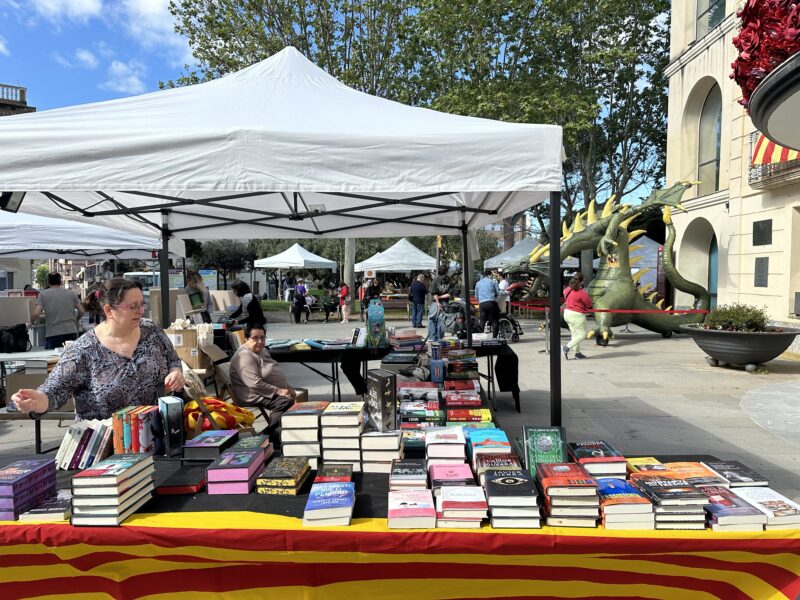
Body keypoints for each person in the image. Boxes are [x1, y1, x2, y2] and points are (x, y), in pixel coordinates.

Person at [11, 277, 185, 420]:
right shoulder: (84, 349)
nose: (140, 311)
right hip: (108, 449)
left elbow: (173, 360)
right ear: (109, 310)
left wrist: (176, 372)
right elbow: (55, 391)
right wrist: (35, 401)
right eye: (133, 306)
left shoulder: (152, 330)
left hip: (157, 439)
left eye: (142, 304)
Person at [229, 325, 296, 442]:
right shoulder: (245, 355)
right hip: (251, 393)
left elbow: (270, 372)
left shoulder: (261, 350)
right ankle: (267, 436)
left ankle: (279, 433)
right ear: (246, 339)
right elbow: (254, 383)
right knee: (284, 401)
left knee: (291, 399)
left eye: (262, 338)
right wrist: (279, 391)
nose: (260, 342)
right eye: (255, 338)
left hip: (264, 389)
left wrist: (287, 387)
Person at [31, 272, 84, 350]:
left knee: (53, 360)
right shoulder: (71, 293)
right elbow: (82, 311)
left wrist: (31, 321)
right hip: (71, 331)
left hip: (53, 333)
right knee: (71, 358)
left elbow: (36, 313)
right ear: (60, 281)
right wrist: (76, 320)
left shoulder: (43, 294)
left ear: (48, 282)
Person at [562, 275, 593, 360]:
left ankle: (577, 353)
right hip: (577, 315)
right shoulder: (581, 292)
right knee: (583, 334)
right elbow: (589, 304)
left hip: (567, 312)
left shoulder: (567, 290)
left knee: (575, 334)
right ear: (581, 282)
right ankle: (566, 347)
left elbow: (565, 297)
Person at [428, 266, 453, 341]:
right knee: (442, 320)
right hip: (445, 303)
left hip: (435, 303)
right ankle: (440, 338)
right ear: (446, 271)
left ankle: (432, 338)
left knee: (432, 319)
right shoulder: (449, 280)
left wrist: (438, 301)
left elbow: (434, 294)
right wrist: (441, 297)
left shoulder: (435, 280)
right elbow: (450, 294)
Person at [475, 270, 501, 338]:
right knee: (494, 321)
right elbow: (497, 292)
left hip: (482, 304)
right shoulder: (493, 281)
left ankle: (480, 338)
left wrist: (480, 301)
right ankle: (494, 338)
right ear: (489, 275)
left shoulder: (478, 283)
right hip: (491, 302)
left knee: (482, 321)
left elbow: (476, 296)